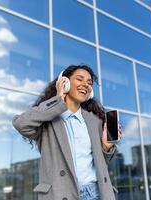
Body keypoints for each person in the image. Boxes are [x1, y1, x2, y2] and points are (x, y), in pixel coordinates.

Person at [12, 64, 122, 200]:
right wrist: (58, 100)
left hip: (96, 193)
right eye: (80, 79)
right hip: (61, 193)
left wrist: (106, 147)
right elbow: (21, 124)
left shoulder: (95, 121)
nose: (85, 85)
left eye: (89, 83)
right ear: (65, 83)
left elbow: (100, 164)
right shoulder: (47, 119)